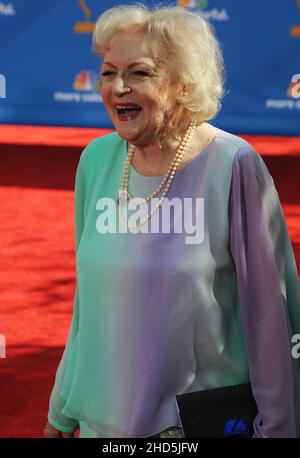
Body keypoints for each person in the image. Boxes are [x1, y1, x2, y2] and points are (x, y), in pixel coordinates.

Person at [43, 4, 300, 439]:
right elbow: (89, 307)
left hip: (198, 428)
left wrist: (277, 428)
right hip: (102, 427)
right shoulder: (96, 161)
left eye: (139, 73)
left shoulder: (233, 165)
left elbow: (270, 316)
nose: (117, 88)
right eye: (108, 72)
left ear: (182, 83)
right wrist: (62, 411)